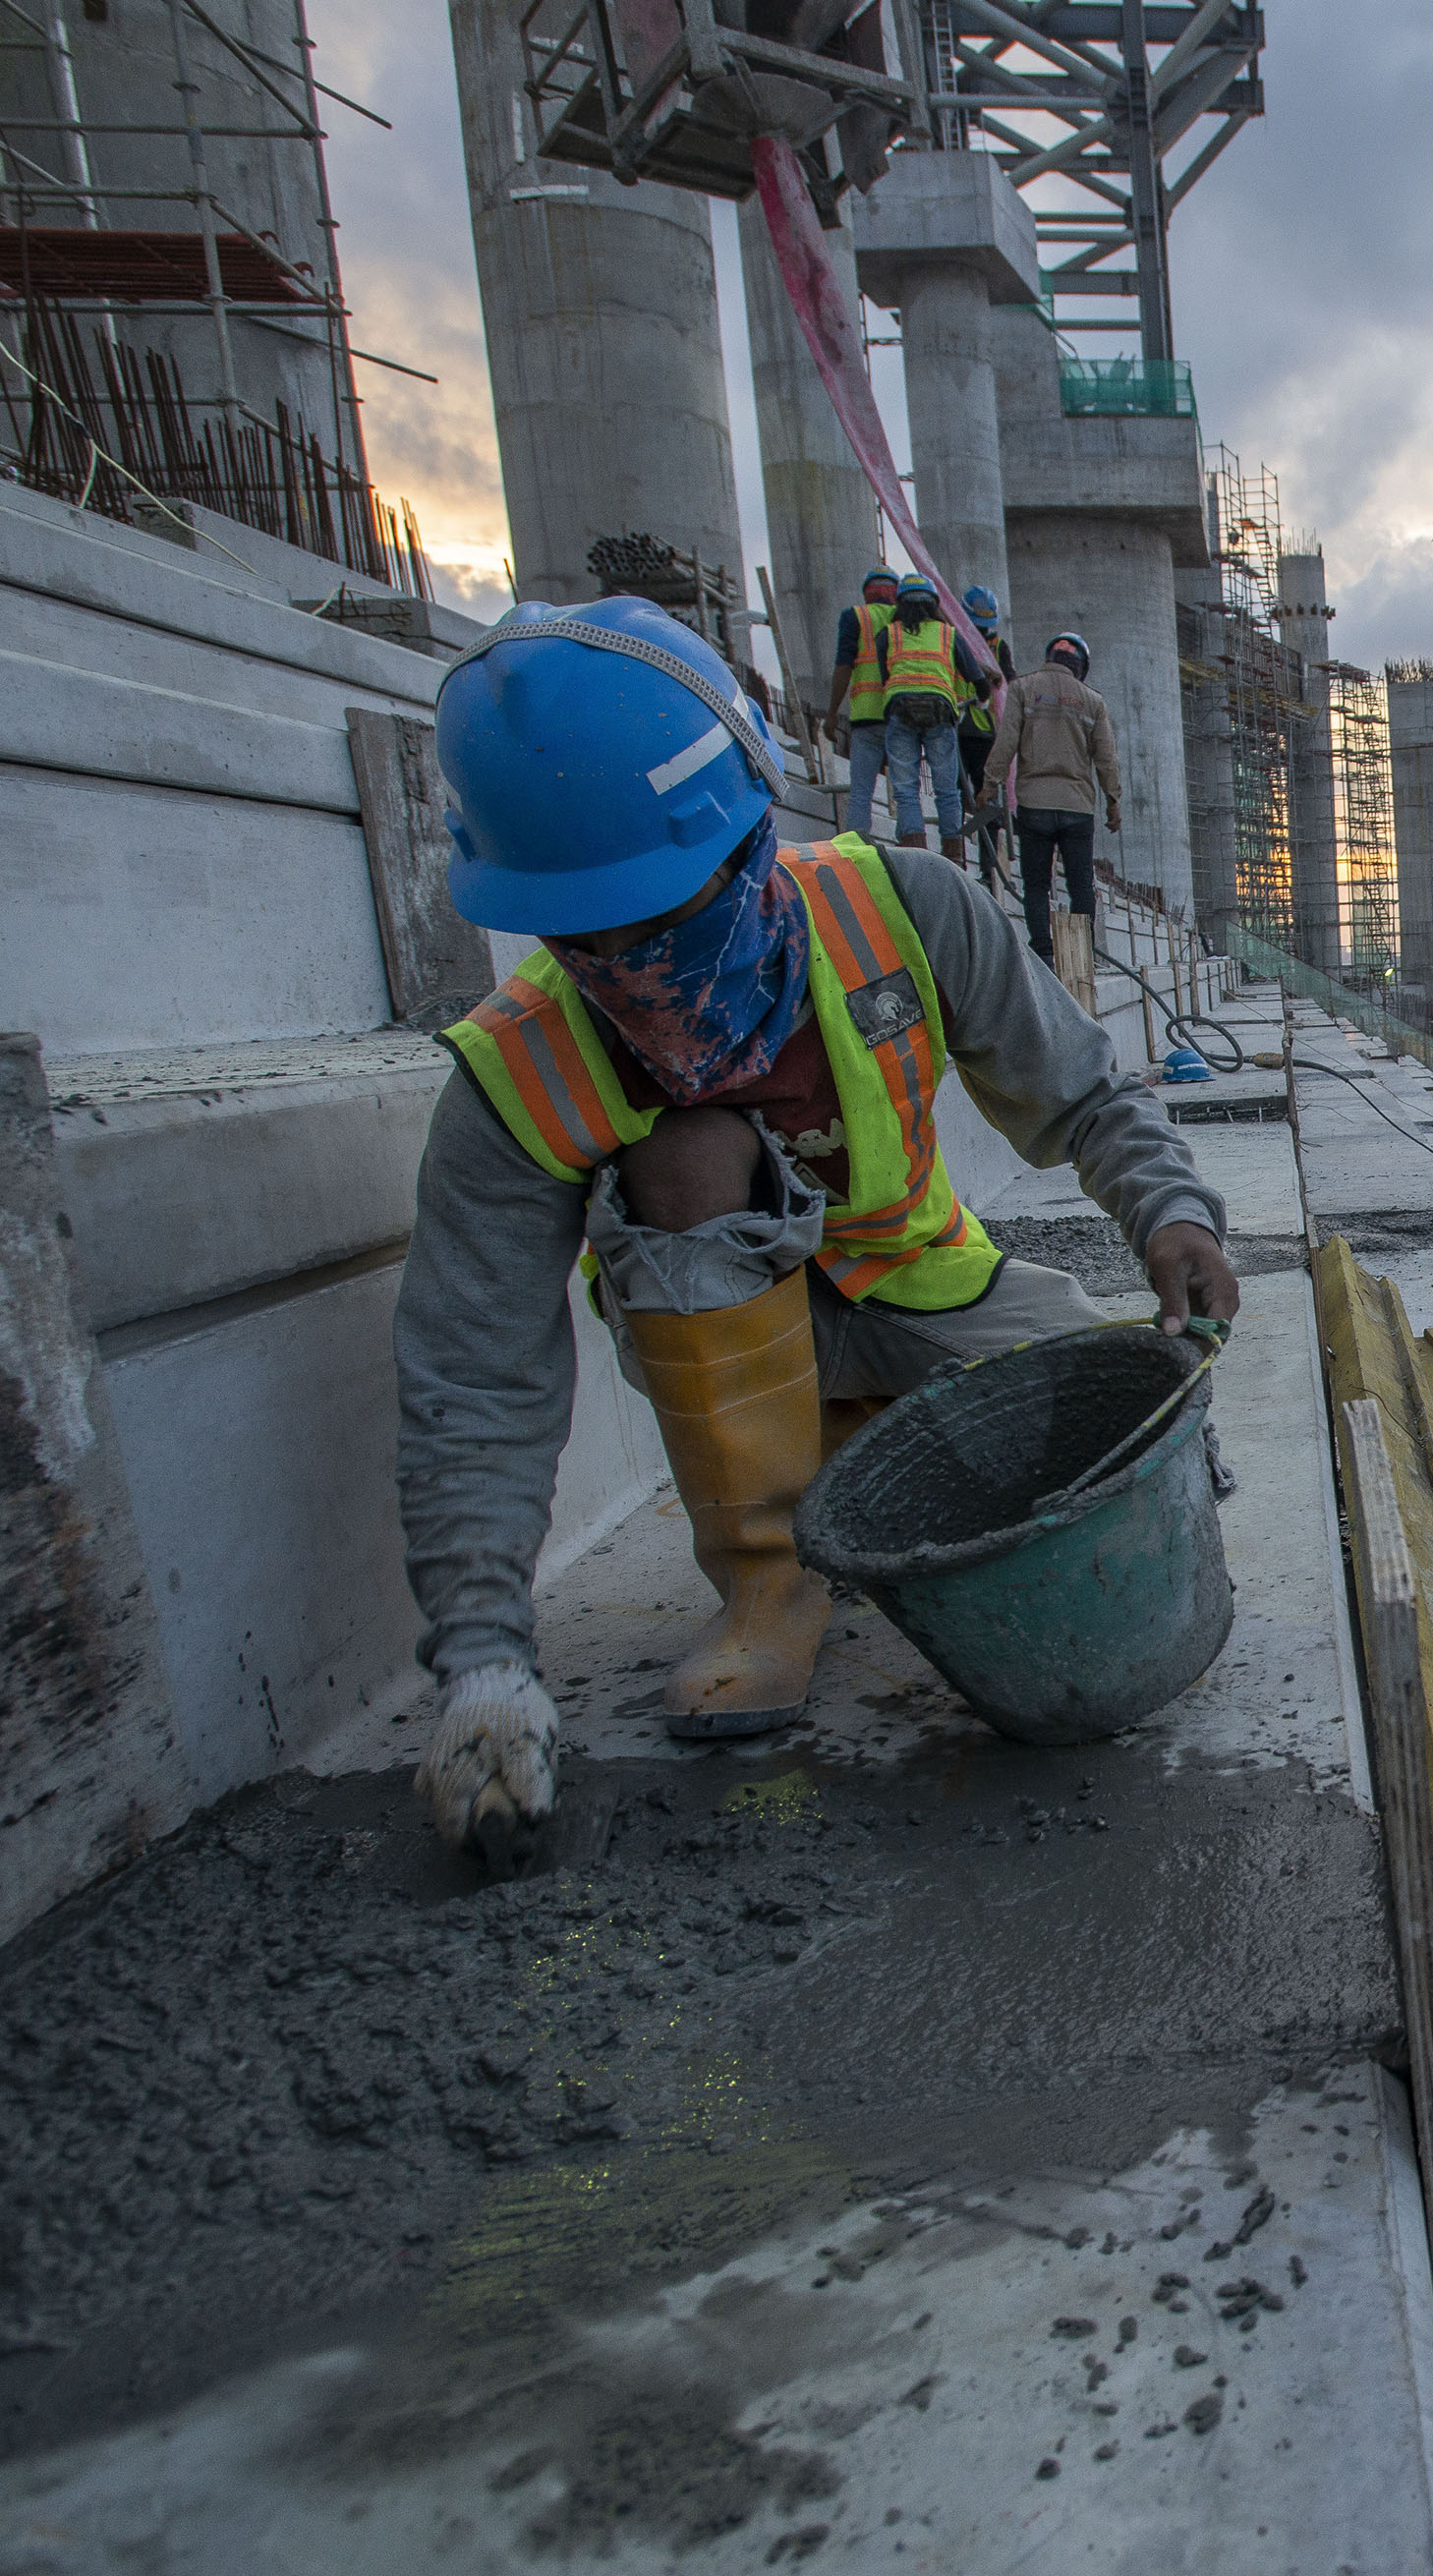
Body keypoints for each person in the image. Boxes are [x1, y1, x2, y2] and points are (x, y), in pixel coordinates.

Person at [397, 597, 1238, 1871]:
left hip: (919, 1288)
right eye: (594, 946)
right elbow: (474, 1376)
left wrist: (1170, 1212)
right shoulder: (519, 1070)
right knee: (685, 1150)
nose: (641, 976)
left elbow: (1081, 1091)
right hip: (726, 1345)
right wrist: (481, 1666)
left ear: (747, 837)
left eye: (668, 922)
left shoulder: (900, 908)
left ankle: (848, 1442)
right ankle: (773, 1573)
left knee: (1119, 1421)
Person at [992, 629, 1122, 1000]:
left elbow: (1005, 744)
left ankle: (1044, 953)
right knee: (1080, 885)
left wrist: (990, 783)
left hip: (1034, 803)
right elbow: (1106, 758)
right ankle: (1080, 953)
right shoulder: (1092, 701)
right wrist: (1113, 802)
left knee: (1036, 884)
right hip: (1077, 806)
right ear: (1080, 667)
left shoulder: (1021, 689)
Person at [875, 576, 976, 860]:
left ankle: (915, 855)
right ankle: (955, 858)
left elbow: (886, 678)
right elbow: (975, 676)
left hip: (900, 710)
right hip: (940, 713)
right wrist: (981, 695)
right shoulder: (948, 634)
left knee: (905, 789)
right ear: (934, 605)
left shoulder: (888, 634)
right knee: (947, 790)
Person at [822, 565, 901, 837]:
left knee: (861, 792)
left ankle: (856, 851)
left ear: (867, 592)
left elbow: (844, 666)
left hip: (866, 716)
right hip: (901, 715)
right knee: (906, 791)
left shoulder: (855, 617)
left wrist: (832, 713)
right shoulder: (906, 618)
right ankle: (911, 848)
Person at [953, 583, 1015, 884]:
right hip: (956, 727)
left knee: (986, 802)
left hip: (983, 734)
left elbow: (1007, 685)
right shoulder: (952, 637)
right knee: (954, 797)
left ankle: (988, 869)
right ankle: (955, 864)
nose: (984, 633)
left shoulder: (998, 647)